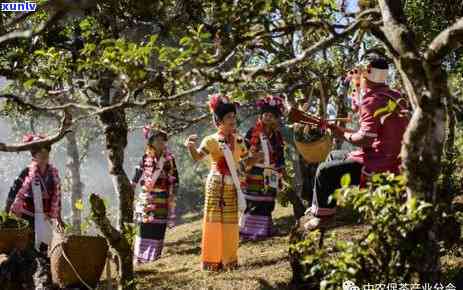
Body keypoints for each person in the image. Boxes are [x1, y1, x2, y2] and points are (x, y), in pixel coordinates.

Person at [304, 54, 410, 230]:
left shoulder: (372, 100)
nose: (356, 79)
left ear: (366, 74)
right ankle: (328, 206)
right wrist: (341, 131)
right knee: (333, 155)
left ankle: (323, 217)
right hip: (396, 159)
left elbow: (366, 140)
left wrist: (343, 135)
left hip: (380, 163)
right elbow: (375, 133)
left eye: (359, 75)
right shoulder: (395, 96)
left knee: (323, 171)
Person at [184, 94, 262, 271]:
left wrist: (256, 158)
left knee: (230, 223)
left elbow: (245, 163)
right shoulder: (210, 140)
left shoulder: (240, 141)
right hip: (215, 186)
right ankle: (212, 261)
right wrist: (189, 146)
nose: (232, 120)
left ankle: (229, 260)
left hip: (232, 186)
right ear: (219, 120)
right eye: (228, 117)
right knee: (213, 222)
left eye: (234, 116)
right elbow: (197, 157)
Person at [4, 133, 63, 289]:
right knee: (27, 250)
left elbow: (58, 195)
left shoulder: (54, 174)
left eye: (46, 154)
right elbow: (13, 192)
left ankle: (42, 280)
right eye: (40, 154)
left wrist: (59, 217)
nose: (44, 157)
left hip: (45, 217)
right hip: (26, 216)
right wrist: (6, 213)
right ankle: (23, 280)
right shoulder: (26, 172)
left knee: (43, 250)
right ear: (34, 156)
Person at [240, 95, 286, 240]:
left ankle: (265, 229)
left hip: (271, 173)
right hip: (255, 172)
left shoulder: (277, 135)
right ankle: (249, 232)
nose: (267, 117)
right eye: (265, 114)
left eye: (271, 115)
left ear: (276, 118)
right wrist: (253, 158)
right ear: (261, 116)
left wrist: (281, 171)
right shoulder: (252, 132)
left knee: (268, 201)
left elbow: (279, 154)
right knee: (254, 201)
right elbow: (244, 153)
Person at [131, 126, 179, 264]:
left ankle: (154, 256)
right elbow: (138, 173)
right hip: (148, 197)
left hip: (163, 198)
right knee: (145, 225)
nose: (160, 142)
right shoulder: (145, 157)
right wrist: (133, 185)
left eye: (163, 140)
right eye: (157, 139)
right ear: (150, 142)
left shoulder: (169, 159)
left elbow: (175, 177)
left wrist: (174, 193)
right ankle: (140, 257)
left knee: (159, 225)